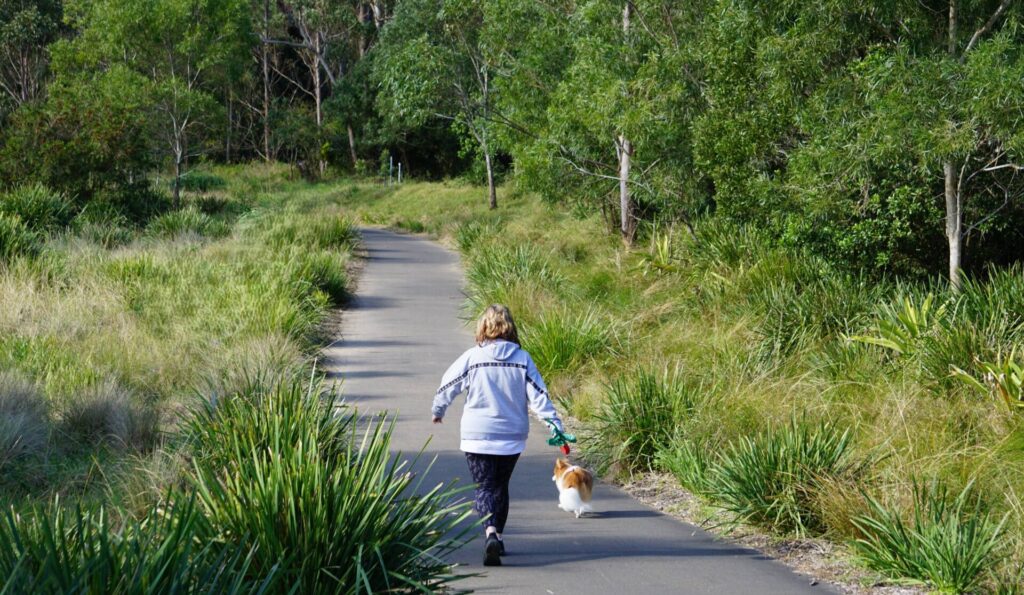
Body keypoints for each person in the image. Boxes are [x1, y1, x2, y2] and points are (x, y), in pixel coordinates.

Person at [432, 304, 564, 567]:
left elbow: (449, 383)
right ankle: (498, 536)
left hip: (477, 434)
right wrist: (554, 425)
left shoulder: (472, 357)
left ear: (483, 327)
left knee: (484, 487)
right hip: (511, 436)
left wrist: (438, 409)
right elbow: (539, 396)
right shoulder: (523, 358)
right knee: (500, 486)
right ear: (511, 328)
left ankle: (490, 532)